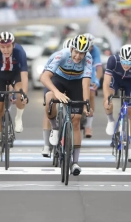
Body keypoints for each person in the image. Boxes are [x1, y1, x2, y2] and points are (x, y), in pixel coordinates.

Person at [40, 34, 93, 176]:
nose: (77, 56)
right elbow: (44, 77)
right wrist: (57, 92)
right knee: (50, 98)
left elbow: (86, 83)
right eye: (76, 52)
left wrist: (86, 102)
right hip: (59, 79)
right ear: (71, 48)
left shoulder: (88, 59)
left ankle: (75, 162)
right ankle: (55, 128)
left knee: (76, 120)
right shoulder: (61, 55)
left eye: (81, 53)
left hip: (76, 82)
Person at [0, 31, 29, 161]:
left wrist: (24, 93)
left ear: (13, 45)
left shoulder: (20, 52)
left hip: (15, 74)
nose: (5, 50)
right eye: (2, 47)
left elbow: (25, 74)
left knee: (20, 93)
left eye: (8, 46)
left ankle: (18, 118)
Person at [41, 37, 73, 157]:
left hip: (70, 82)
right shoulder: (56, 56)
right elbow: (44, 75)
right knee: (49, 107)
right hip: (54, 81)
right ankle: (46, 145)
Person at [83, 33, 103, 138]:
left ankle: (88, 125)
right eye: (88, 46)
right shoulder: (78, 48)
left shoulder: (95, 51)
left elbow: (99, 68)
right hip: (78, 72)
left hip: (89, 73)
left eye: (91, 46)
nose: (89, 48)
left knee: (91, 95)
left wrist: (97, 80)